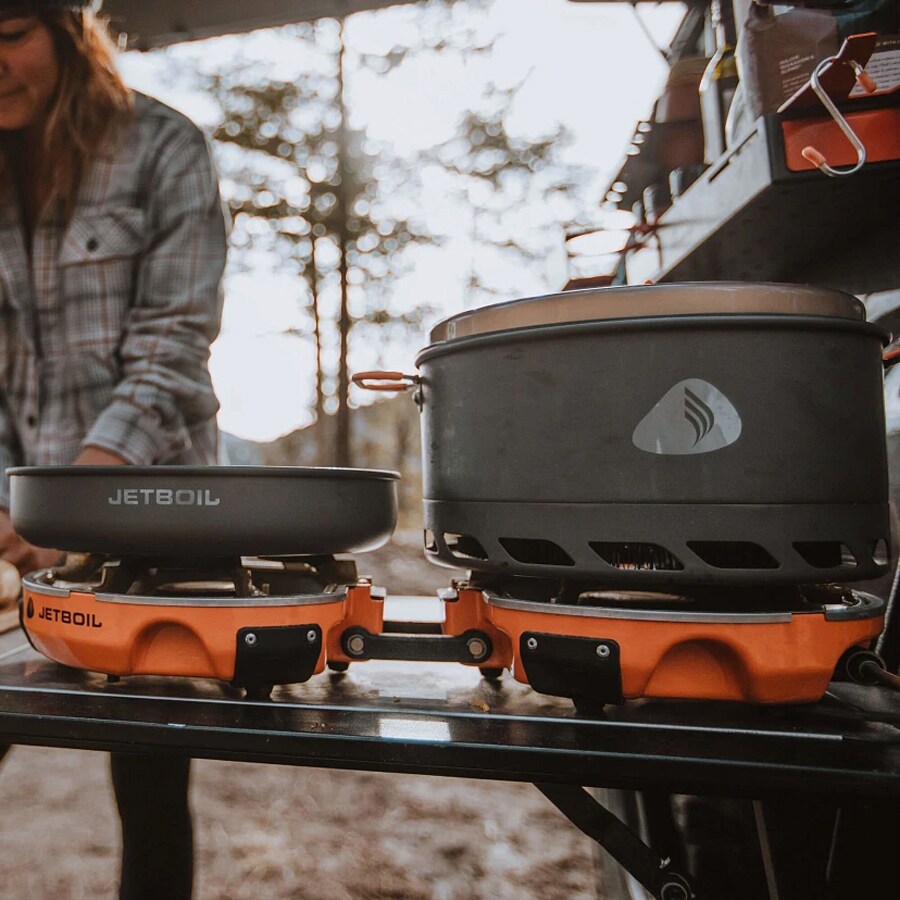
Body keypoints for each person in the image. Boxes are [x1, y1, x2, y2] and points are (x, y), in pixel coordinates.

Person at [0, 1, 228, 897]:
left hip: (153, 520)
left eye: (8, 36)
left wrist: (71, 509)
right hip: (24, 527)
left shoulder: (164, 148)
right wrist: (13, 509)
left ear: (67, 28)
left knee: (150, 774)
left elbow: (171, 353)